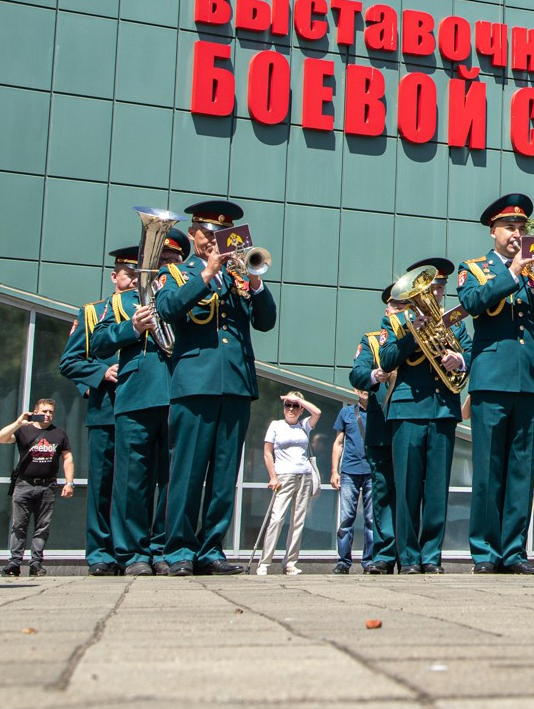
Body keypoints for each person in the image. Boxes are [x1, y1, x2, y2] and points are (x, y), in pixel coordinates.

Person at [156, 200, 276, 576]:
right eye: (207, 233)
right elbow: (167, 309)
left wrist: (256, 283)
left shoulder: (240, 277)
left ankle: (211, 549)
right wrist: (207, 273)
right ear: (193, 235)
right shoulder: (178, 274)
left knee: (225, 475)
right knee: (188, 471)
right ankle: (177, 549)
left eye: (221, 234)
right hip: (195, 383)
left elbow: (267, 322)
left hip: (236, 384)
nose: (214, 240)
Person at [458, 196, 534, 574]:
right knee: (489, 469)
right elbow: (473, 302)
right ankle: (485, 553)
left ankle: (513, 552)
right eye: (510, 229)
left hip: (531, 382)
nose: (517, 235)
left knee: (522, 470)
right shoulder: (475, 268)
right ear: (493, 231)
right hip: (492, 381)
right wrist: (513, 274)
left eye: (522, 229)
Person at [368, 259, 462, 574]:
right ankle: (408, 558)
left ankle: (431, 556)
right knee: (407, 486)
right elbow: (387, 358)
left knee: (437, 489)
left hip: (443, 409)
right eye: (430, 286)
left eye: (439, 286)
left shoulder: (454, 321)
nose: (435, 292)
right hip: (408, 410)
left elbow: (471, 350)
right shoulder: (397, 322)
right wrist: (412, 335)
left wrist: (458, 359)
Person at [60, 245, 138, 576]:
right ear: (114, 276)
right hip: (106, 410)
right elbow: (69, 361)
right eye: (128, 274)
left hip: (141, 410)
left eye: (138, 275)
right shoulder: (94, 313)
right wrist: (100, 374)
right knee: (103, 485)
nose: (133, 280)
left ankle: (130, 551)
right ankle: (100, 553)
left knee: (134, 485)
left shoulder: (151, 309)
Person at [114, 228, 186, 576]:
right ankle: (133, 554)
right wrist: (131, 328)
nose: (167, 265)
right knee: (132, 482)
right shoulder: (123, 301)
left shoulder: (185, 296)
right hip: (137, 396)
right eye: (162, 260)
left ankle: (161, 548)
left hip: (176, 395)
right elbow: (98, 343)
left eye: (173, 261)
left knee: (172, 480)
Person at [0, 400, 74, 576]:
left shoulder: (59, 433)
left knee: (42, 526)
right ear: (35, 412)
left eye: (51, 412)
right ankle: (14, 563)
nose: (48, 415)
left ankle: (36, 563)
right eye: (44, 411)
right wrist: (19, 422)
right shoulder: (24, 431)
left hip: (47, 486)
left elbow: (67, 457)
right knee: (19, 525)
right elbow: (1, 438)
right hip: (24, 484)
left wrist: (69, 483)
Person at [256, 392, 321, 575]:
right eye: (287, 405)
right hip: (283, 476)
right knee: (277, 518)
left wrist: (299, 399)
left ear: (301, 409)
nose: (290, 409)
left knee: (297, 520)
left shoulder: (303, 425)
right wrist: (273, 476)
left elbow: (317, 412)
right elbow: (268, 453)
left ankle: (290, 562)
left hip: (304, 475)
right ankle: (265, 563)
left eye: (295, 406)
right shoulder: (276, 425)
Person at [328, 391, 376, 575]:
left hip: (372, 472)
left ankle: (369, 562)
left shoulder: (379, 412)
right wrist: (334, 471)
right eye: (361, 387)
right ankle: (343, 562)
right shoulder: (347, 413)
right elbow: (338, 443)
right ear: (356, 391)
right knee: (346, 518)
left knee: (371, 520)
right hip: (349, 471)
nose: (365, 390)